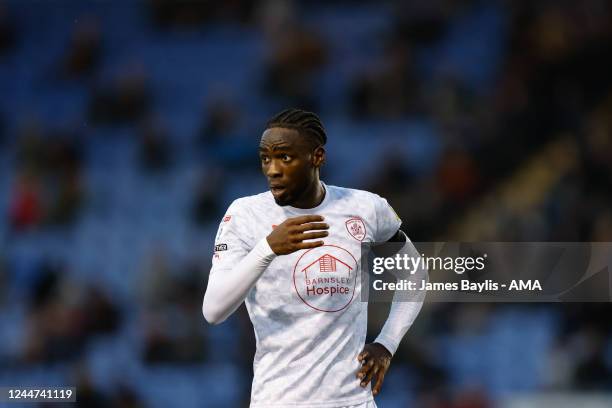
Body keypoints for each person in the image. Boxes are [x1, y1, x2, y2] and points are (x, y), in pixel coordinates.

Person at [203, 108, 425, 408]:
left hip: (352, 402)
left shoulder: (365, 208)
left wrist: (387, 342)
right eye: (265, 158)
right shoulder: (244, 216)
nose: (272, 170)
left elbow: (414, 272)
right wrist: (267, 248)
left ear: (317, 157)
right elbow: (213, 310)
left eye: (285, 157)